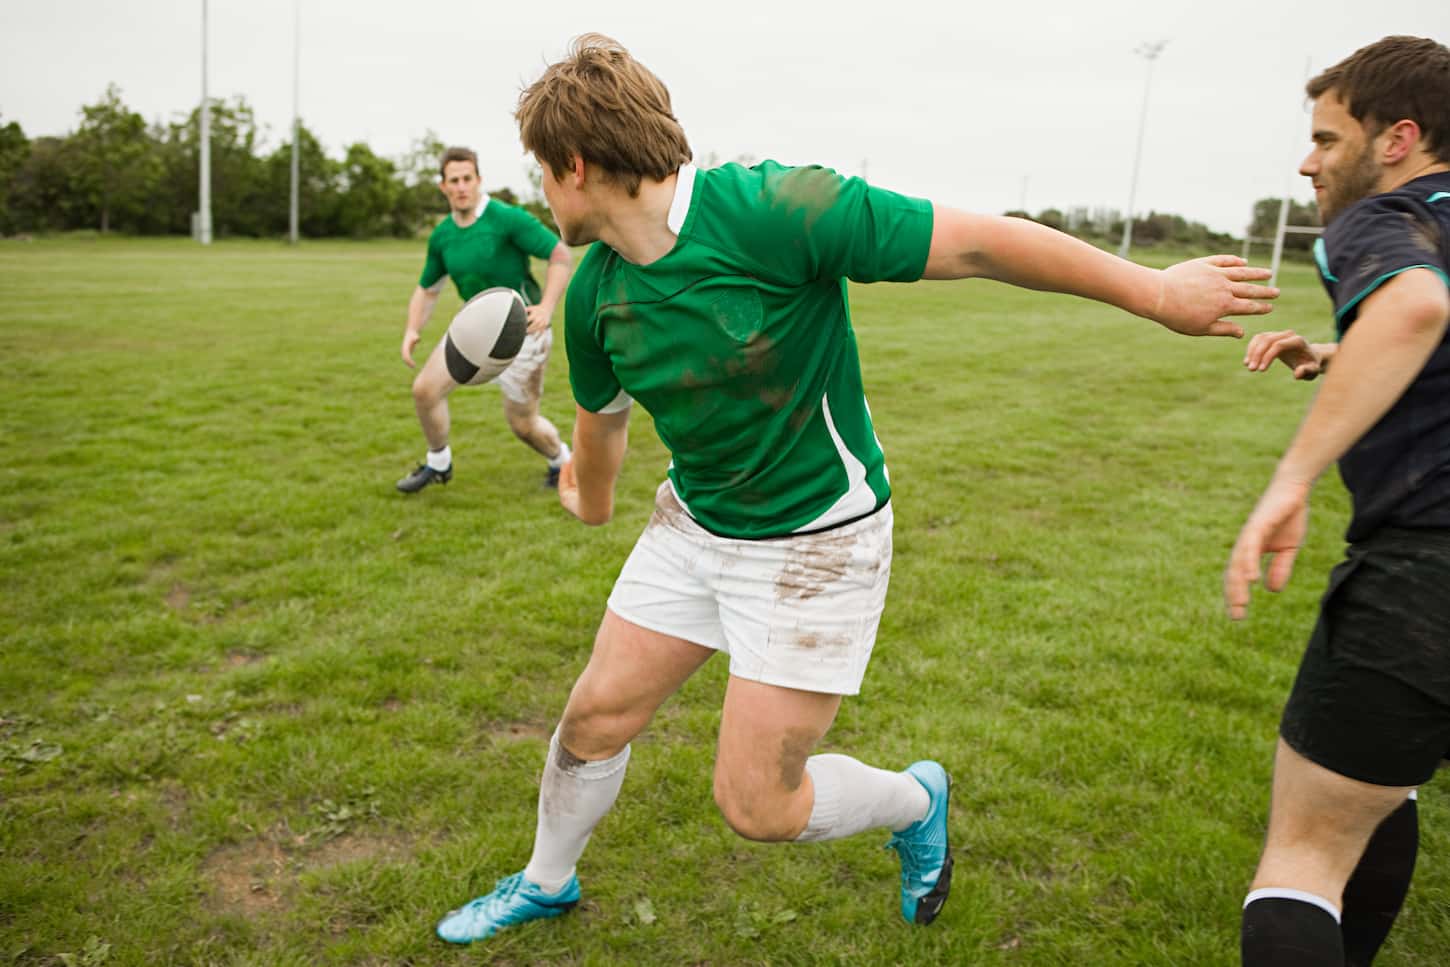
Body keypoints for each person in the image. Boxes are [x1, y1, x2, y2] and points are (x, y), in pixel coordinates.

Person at [435, 34, 1278, 946]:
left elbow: (977, 246)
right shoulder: (599, 292)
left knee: (757, 803)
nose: (539, 190)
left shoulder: (781, 208)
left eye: (540, 170)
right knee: (594, 717)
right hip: (694, 524)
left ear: (575, 163)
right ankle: (546, 879)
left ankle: (918, 799)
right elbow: (600, 436)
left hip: (816, 544)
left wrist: (1154, 291)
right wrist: (584, 496)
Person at [1224, 35, 1450, 967]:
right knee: (1379, 786)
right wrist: (1330, 355)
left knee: (1307, 855)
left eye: (1325, 138)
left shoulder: (1375, 219)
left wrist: (1293, 477)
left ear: (1396, 139)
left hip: (1428, 567)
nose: (1309, 161)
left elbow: (1416, 309)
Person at [395, 146, 574, 493]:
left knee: (522, 424)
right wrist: (412, 329)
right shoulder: (443, 235)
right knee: (425, 390)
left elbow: (559, 254)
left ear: (478, 181)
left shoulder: (507, 219)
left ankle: (561, 460)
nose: (461, 186)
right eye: (453, 181)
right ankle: (438, 464)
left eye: (467, 179)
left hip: (525, 332)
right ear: (443, 186)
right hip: (475, 329)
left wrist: (547, 307)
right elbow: (428, 289)